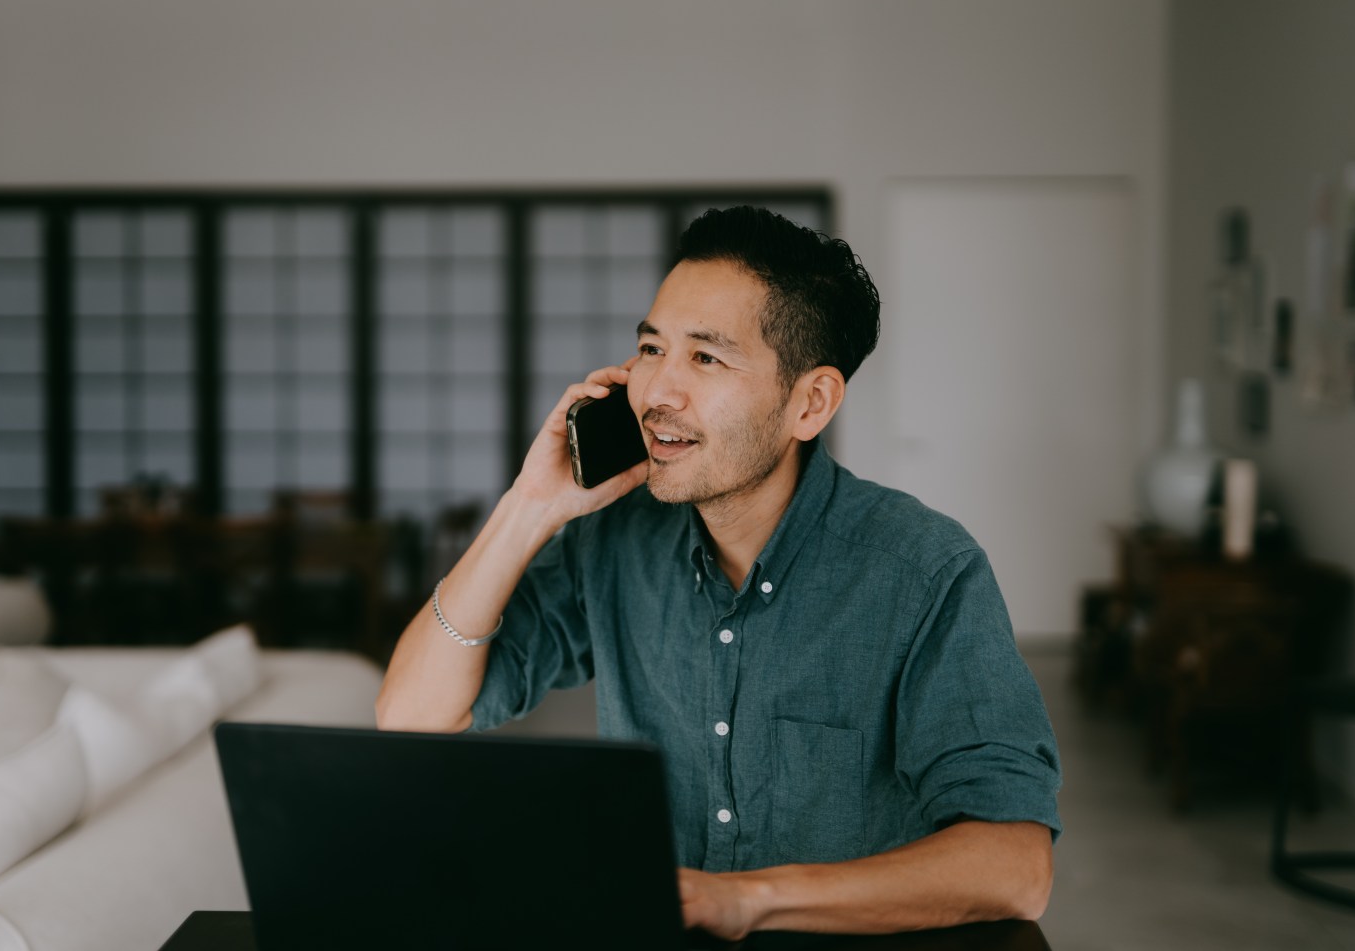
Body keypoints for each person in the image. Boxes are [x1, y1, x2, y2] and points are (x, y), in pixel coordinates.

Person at [377, 205, 1062, 940]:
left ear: (811, 402)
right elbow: (414, 712)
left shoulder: (926, 571)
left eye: (706, 358)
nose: (657, 392)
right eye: (650, 348)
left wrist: (749, 898)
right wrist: (527, 507)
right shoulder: (615, 539)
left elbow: (1015, 868)